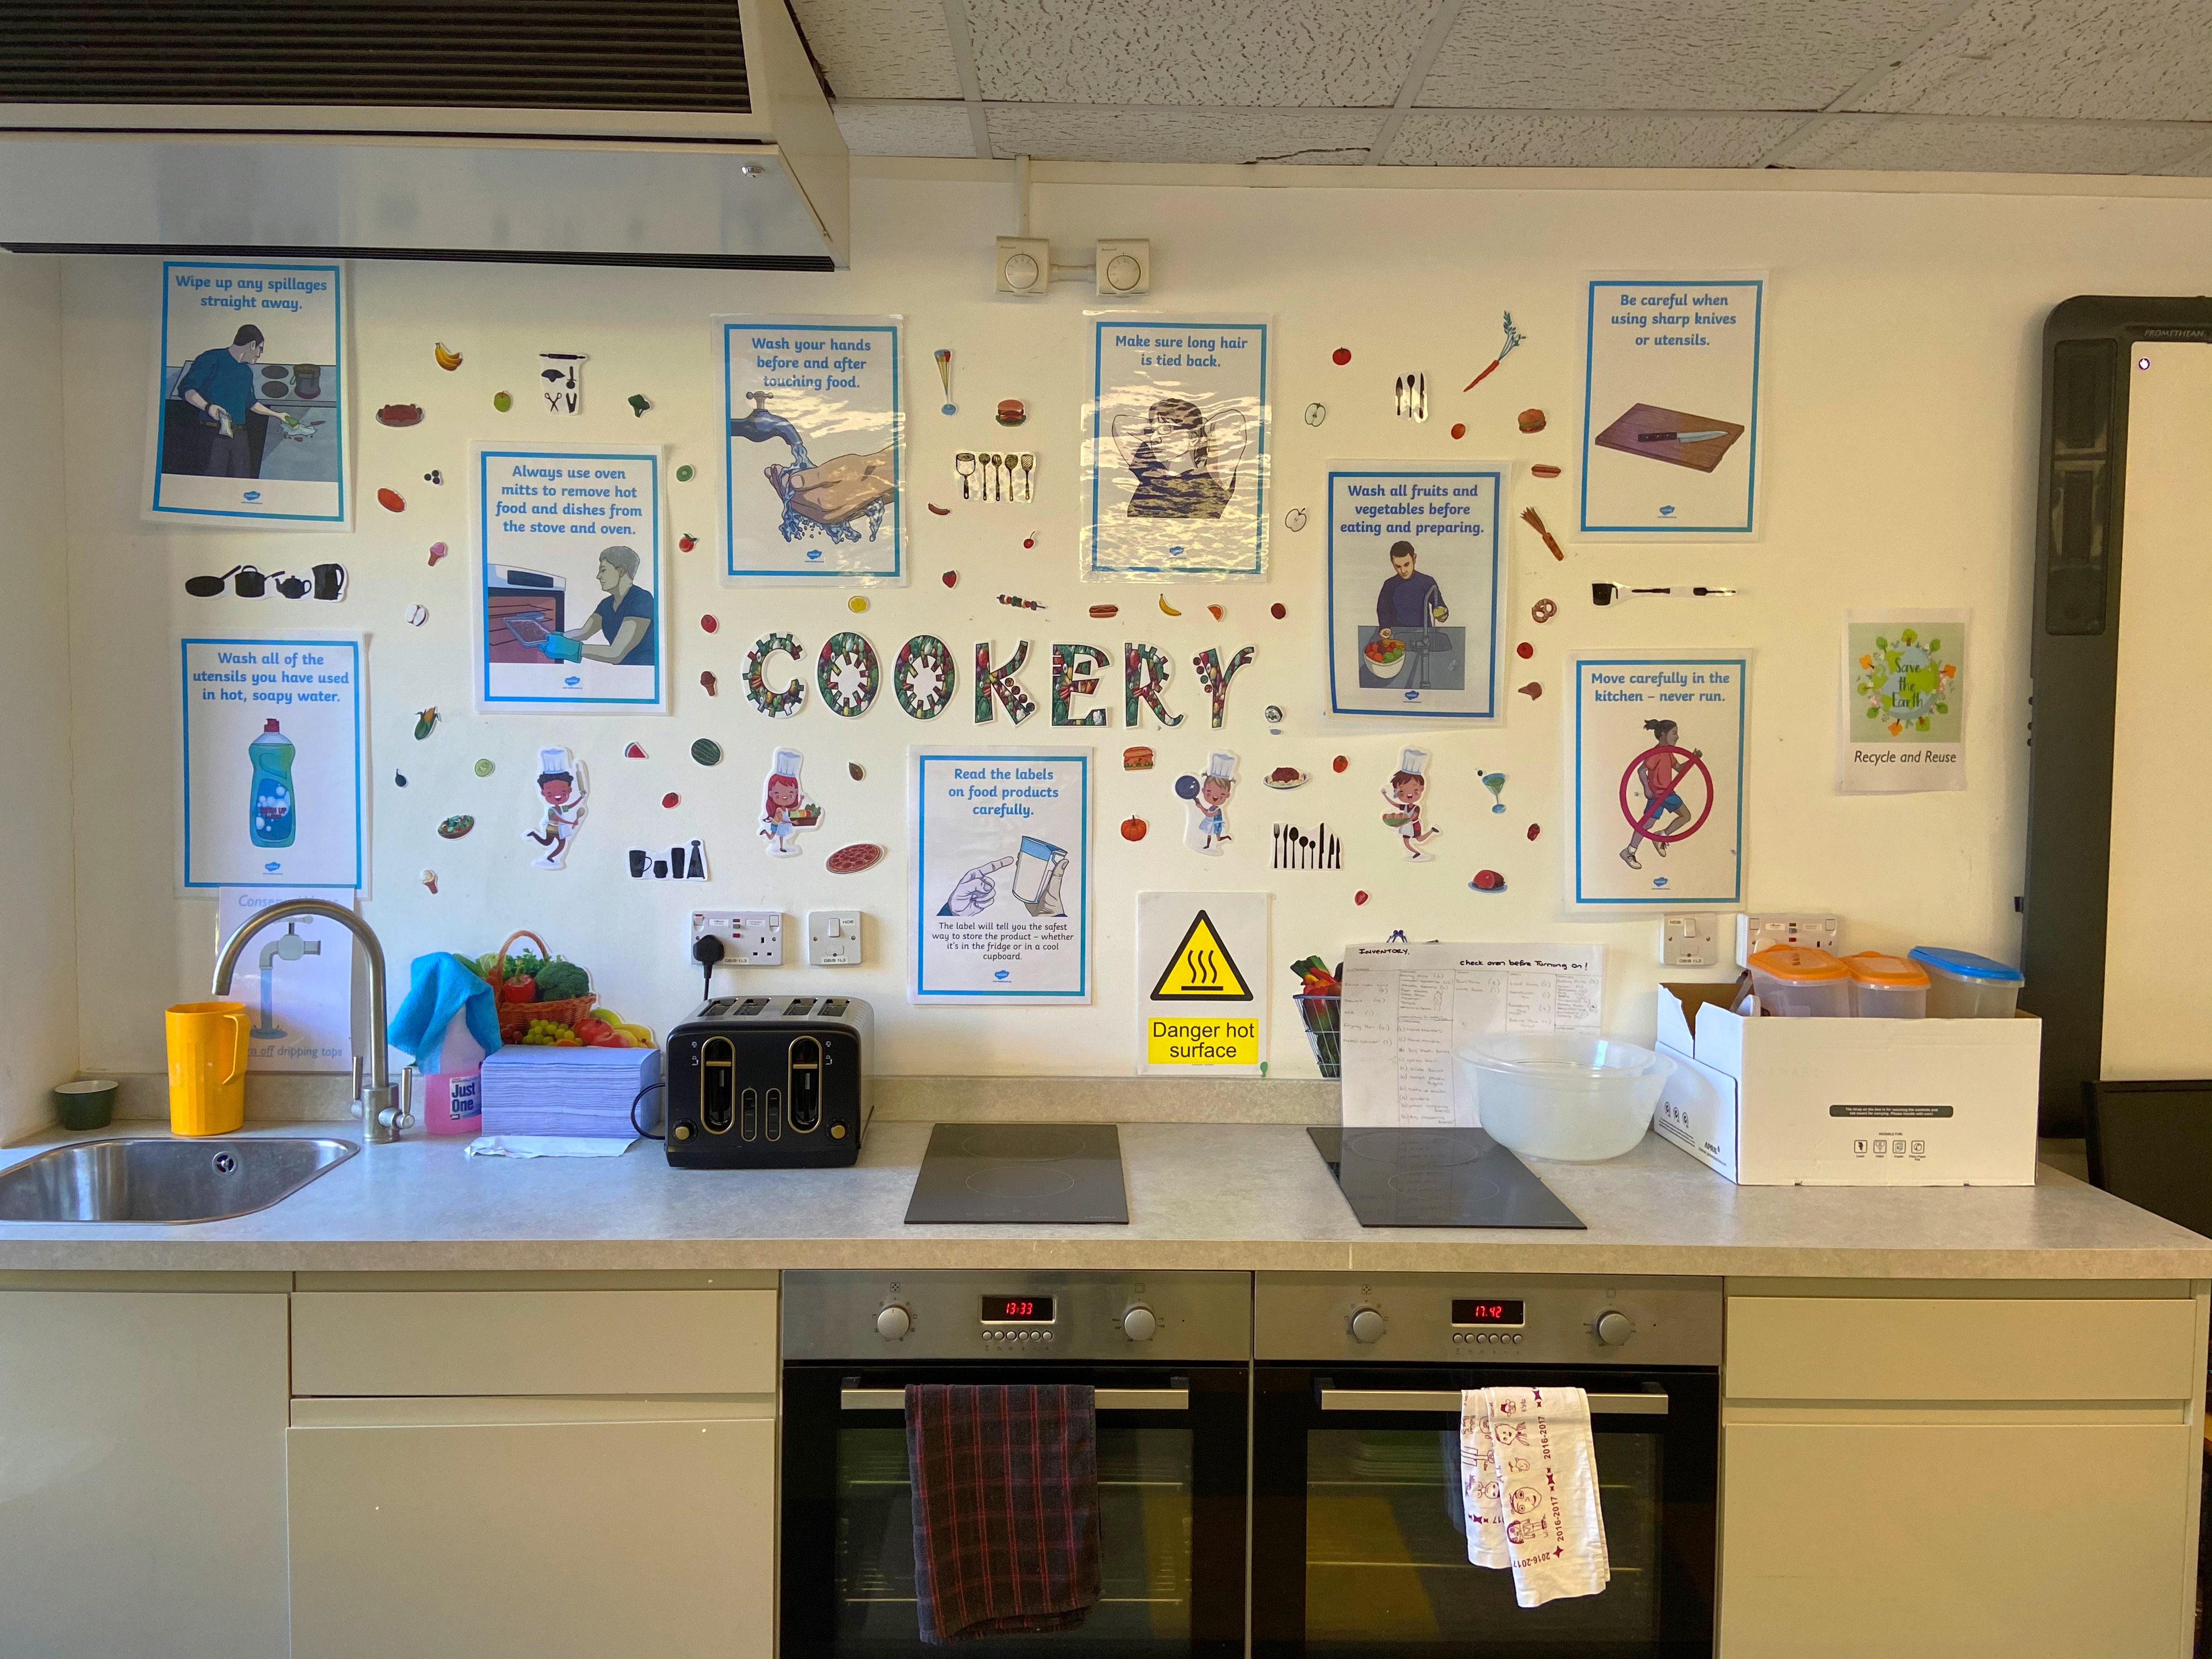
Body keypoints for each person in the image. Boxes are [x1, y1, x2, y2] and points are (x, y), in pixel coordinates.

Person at [173, 324, 296, 477]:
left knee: (242, 480)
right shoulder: (212, 358)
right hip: (213, 434)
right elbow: (186, 389)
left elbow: (251, 403)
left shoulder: (246, 372)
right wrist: (208, 407)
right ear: (252, 345)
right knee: (213, 482)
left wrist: (278, 415)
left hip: (240, 437)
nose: (260, 354)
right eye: (261, 349)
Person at [1115, 397, 1239, 519]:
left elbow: (1234, 418)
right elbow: (1120, 423)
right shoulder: (1151, 471)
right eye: (1152, 431)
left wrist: (1200, 429)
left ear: (1194, 437)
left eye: (1166, 429)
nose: (1153, 438)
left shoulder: (1215, 474)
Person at [541, 545, 656, 667]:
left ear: (621, 570)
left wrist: (570, 648)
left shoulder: (641, 600)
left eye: (604, 570)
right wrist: (551, 636)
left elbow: (616, 654)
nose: (598, 576)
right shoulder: (607, 604)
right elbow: (584, 633)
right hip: (620, 672)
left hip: (642, 672)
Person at [1621, 719, 1701, 870]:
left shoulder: (1669, 753)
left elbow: (1679, 769)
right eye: (1674, 733)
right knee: (1646, 825)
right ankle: (1629, 852)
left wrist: (1693, 759)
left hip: (1669, 794)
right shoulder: (1656, 754)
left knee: (1686, 816)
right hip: (1657, 796)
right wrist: (1646, 788)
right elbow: (1641, 770)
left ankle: (1662, 836)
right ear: (1664, 735)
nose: (1677, 737)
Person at [522, 748, 586, 871]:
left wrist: (581, 798)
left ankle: (551, 857)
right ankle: (534, 835)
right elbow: (558, 818)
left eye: (563, 792)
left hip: (560, 831)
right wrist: (571, 822)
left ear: (569, 790)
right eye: (551, 793)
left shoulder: (561, 807)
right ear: (543, 793)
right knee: (547, 843)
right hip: (552, 829)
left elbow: (572, 806)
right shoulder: (552, 810)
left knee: (561, 846)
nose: (558, 796)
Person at [1374, 540, 1448, 638]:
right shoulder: (1389, 585)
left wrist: (1442, 616)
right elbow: (1383, 609)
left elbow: (1439, 605)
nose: (1403, 571)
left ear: (1414, 559)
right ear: (1392, 562)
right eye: (1398, 566)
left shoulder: (1428, 582)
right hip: (1396, 636)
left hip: (1424, 635)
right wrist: (1384, 627)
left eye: (1407, 564)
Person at [1380, 746, 1441, 860]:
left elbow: (1412, 818)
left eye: (1415, 791)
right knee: (1406, 842)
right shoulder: (1405, 807)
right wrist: (1385, 796)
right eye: (1402, 792)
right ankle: (1416, 853)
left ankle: (1432, 831)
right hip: (1406, 826)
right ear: (1396, 792)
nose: (1409, 795)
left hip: (1414, 825)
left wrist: (1401, 823)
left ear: (1422, 789)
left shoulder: (1417, 808)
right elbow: (1395, 804)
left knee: (1419, 839)